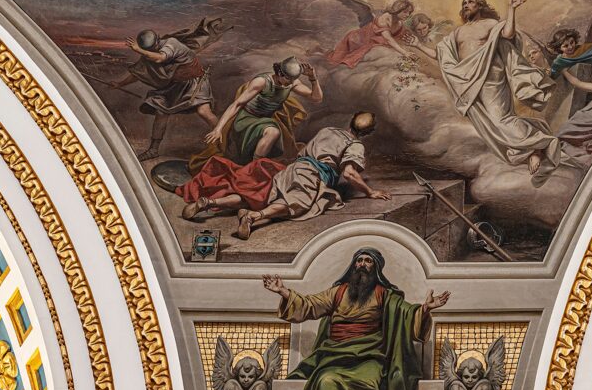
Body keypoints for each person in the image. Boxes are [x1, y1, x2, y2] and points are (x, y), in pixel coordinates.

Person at [266, 248, 451, 390]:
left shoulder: (384, 295)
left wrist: (426, 308)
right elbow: (309, 305)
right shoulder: (337, 293)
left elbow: (407, 315)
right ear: (354, 265)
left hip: (370, 357)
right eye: (360, 260)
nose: (363, 264)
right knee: (326, 382)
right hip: (335, 357)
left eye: (368, 261)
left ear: (376, 268)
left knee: (370, 384)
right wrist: (283, 291)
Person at [410, 0, 580, 181]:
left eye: (471, 2)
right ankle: (528, 150)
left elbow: (508, 34)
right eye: (464, 2)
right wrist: (418, 45)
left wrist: (512, 9)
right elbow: (440, 55)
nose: (466, 5)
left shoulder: (490, 24)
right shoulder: (458, 32)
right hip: (468, 82)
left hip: (492, 77)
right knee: (489, 125)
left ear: (480, 5)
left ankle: (538, 145)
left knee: (501, 120)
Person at [234, 111, 389, 240]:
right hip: (311, 175)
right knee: (296, 204)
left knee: (270, 196)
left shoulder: (328, 130)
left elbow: (302, 153)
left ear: (351, 121)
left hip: (293, 169)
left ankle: (236, 208)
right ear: (368, 132)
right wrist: (370, 192)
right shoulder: (355, 145)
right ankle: (253, 216)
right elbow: (349, 173)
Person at [197, 57, 320, 170]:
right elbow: (237, 104)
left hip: (265, 121)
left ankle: (254, 167)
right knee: (273, 132)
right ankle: (255, 168)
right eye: (288, 79)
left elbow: (316, 98)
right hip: (246, 120)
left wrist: (313, 78)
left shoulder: (291, 82)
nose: (291, 82)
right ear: (279, 73)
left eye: (293, 79)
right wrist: (218, 129)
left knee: (274, 133)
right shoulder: (262, 81)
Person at [114, 29, 218, 161]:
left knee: (204, 111)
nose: (154, 50)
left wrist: (138, 50)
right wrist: (120, 84)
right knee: (161, 111)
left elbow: (160, 58)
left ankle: (225, 139)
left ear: (158, 40)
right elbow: (138, 73)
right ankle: (153, 150)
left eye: (154, 47)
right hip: (175, 86)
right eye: (150, 49)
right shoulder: (149, 54)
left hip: (195, 83)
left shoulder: (171, 43)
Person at [326, 0, 416, 68]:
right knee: (336, 62)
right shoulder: (384, 19)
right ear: (397, 10)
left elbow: (403, 37)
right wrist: (405, 53)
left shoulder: (399, 24)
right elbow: (388, 39)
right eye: (405, 12)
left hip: (371, 42)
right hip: (357, 39)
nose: (408, 15)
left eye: (409, 12)